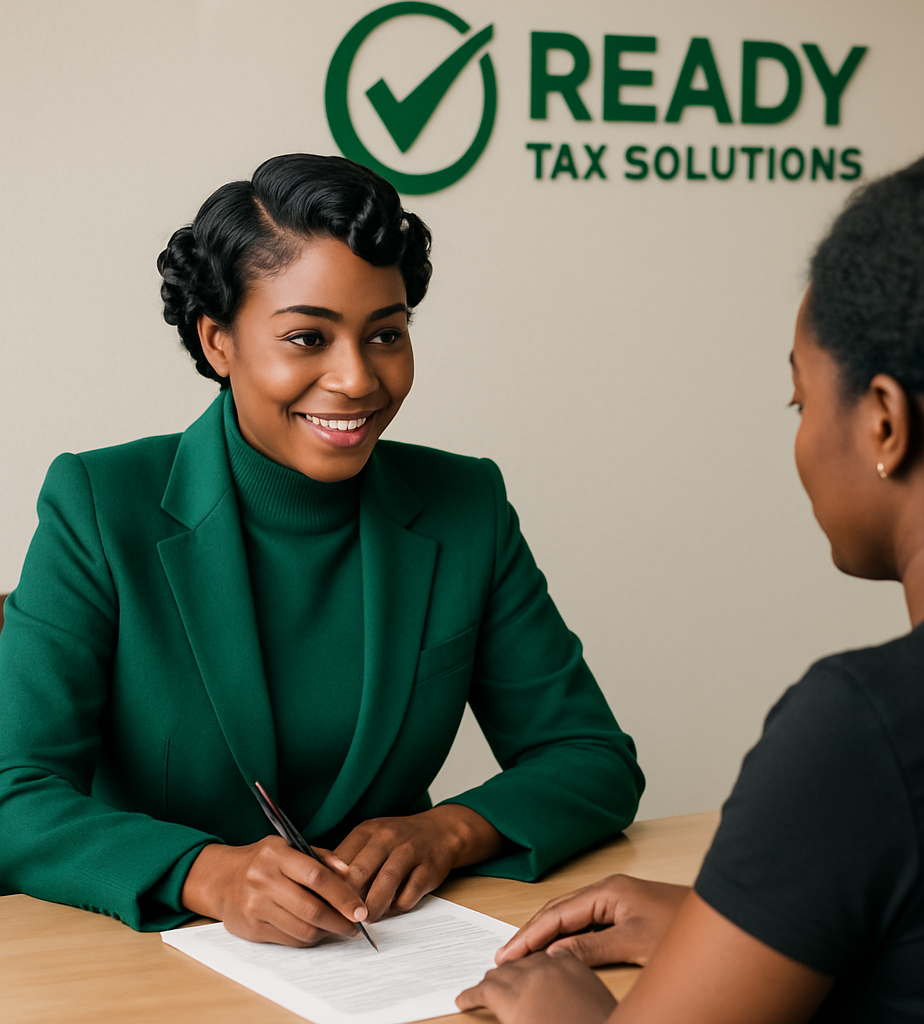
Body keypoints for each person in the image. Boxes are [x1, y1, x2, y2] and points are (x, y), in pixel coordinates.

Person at [0, 154, 644, 943]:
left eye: (386, 335)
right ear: (218, 342)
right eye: (308, 337)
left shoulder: (465, 506)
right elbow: (13, 791)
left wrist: (450, 831)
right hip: (152, 959)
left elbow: (591, 757)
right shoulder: (100, 505)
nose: (357, 378)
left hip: (387, 953)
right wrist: (207, 873)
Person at [457, 136, 924, 1022]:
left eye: (802, 400)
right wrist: (749, 923)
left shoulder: (870, 730)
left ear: (884, 422)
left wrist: (566, 1011)